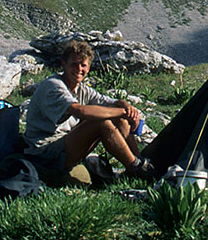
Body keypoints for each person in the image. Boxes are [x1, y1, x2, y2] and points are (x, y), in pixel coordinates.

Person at [24, 40, 156, 180]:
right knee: (101, 123)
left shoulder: (81, 89)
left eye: (83, 65)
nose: (79, 69)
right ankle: (135, 167)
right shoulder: (54, 86)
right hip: (44, 153)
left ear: (88, 68)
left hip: (64, 145)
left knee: (118, 117)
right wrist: (123, 112)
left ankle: (139, 161)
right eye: (74, 64)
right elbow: (80, 111)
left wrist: (125, 106)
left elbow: (109, 103)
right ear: (64, 65)